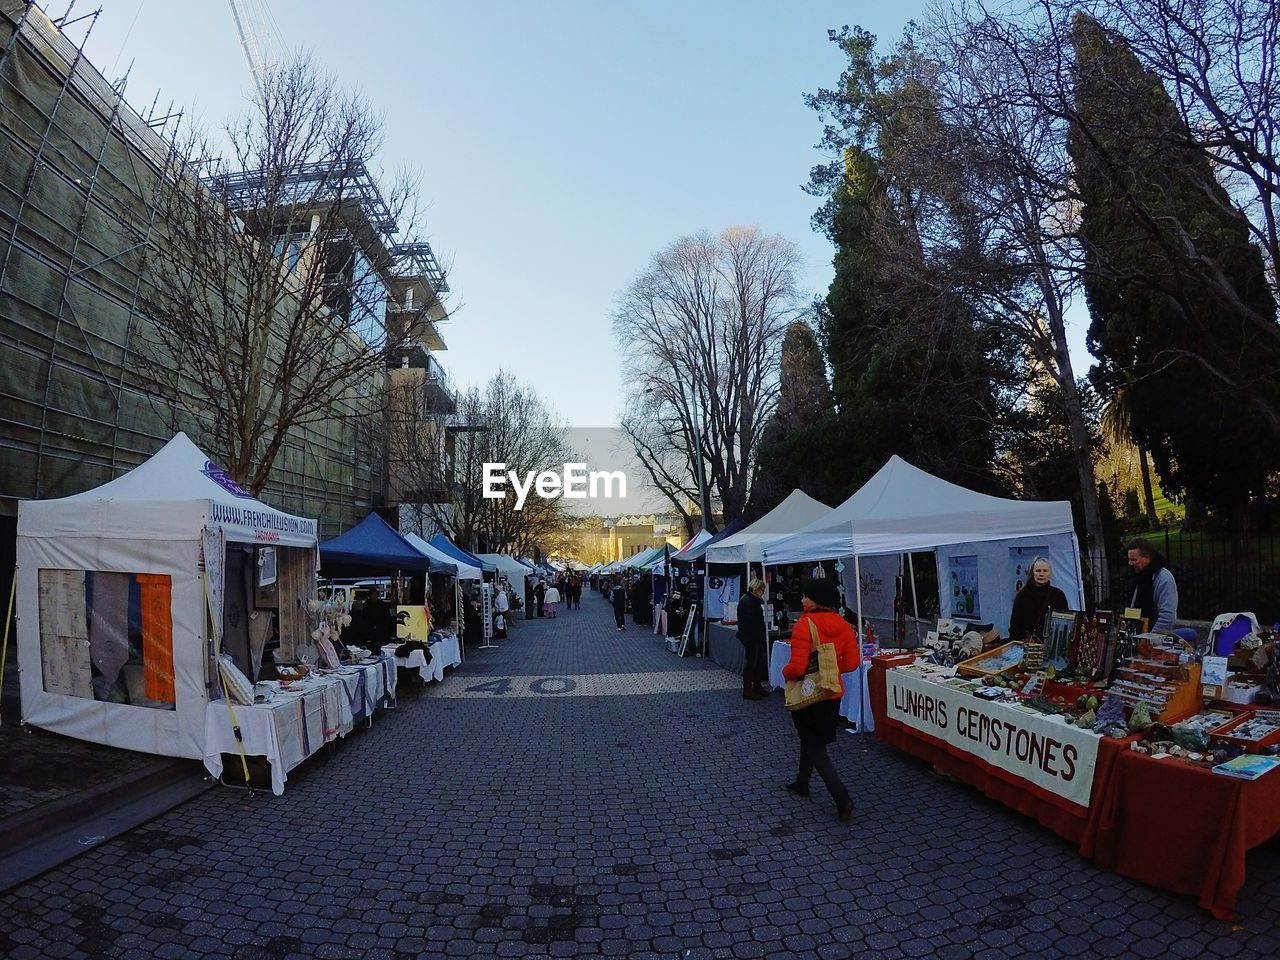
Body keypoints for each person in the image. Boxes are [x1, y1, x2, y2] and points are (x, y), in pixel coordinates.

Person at [781, 578, 859, 822]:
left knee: (815, 747)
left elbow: (797, 667)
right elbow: (853, 662)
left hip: (808, 693)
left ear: (816, 600)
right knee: (812, 740)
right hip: (831, 693)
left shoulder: (805, 625)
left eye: (806, 596)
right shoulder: (845, 626)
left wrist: (785, 673)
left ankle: (841, 797)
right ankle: (802, 782)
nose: (802, 600)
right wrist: (832, 672)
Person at [1007, 557, 1069, 642]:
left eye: (1045, 571)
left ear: (1050, 573)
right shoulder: (1022, 596)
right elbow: (1015, 626)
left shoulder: (1058, 595)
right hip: (1029, 647)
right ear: (1032, 573)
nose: (1041, 574)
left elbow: (1065, 625)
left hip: (1052, 645)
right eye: (1038, 571)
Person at [1126, 539, 1179, 632]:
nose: (1130, 563)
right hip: (1135, 635)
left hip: (1153, 639)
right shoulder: (1139, 576)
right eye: (1129, 559)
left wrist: (1149, 639)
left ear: (1147, 557)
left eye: (1134, 560)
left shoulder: (1163, 578)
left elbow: (1167, 617)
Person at [737, 578, 770, 701]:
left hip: (754, 636)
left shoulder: (750, 600)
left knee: (758, 662)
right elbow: (750, 622)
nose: (763, 592)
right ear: (756, 589)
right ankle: (748, 689)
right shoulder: (748, 601)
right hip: (751, 637)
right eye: (762, 590)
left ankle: (756, 686)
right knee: (752, 662)